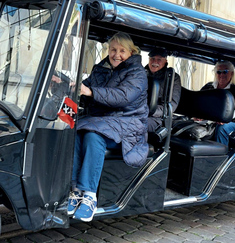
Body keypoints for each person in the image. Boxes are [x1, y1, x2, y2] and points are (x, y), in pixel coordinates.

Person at [68, 32, 149, 222]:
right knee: (74, 131)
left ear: (131, 52)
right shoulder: (101, 69)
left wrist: (90, 91)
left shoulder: (138, 73)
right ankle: (76, 190)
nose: (116, 54)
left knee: (92, 136)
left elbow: (122, 96)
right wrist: (70, 86)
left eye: (122, 51)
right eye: (113, 49)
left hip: (128, 124)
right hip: (104, 121)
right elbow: (84, 87)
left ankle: (89, 195)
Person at [145, 47, 181, 133]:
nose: (155, 62)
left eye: (159, 59)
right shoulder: (141, 74)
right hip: (137, 112)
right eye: (152, 58)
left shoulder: (172, 78)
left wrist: (150, 111)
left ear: (166, 62)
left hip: (158, 118)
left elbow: (171, 106)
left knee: (136, 124)